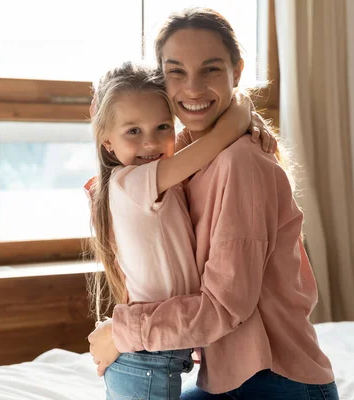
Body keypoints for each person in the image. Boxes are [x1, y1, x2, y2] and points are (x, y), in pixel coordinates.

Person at [88, 8, 339, 400]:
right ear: (161, 82)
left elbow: (222, 309)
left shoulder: (240, 162)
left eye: (210, 70)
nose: (192, 88)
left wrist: (120, 333)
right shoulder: (186, 152)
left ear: (236, 72)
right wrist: (242, 114)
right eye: (176, 72)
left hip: (278, 382)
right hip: (230, 382)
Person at [85, 61, 275, 400]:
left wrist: (248, 120)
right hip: (145, 356)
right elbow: (213, 142)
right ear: (107, 142)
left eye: (162, 127)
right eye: (133, 131)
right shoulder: (133, 182)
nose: (151, 142)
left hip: (154, 349)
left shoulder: (157, 178)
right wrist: (243, 110)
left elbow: (202, 143)